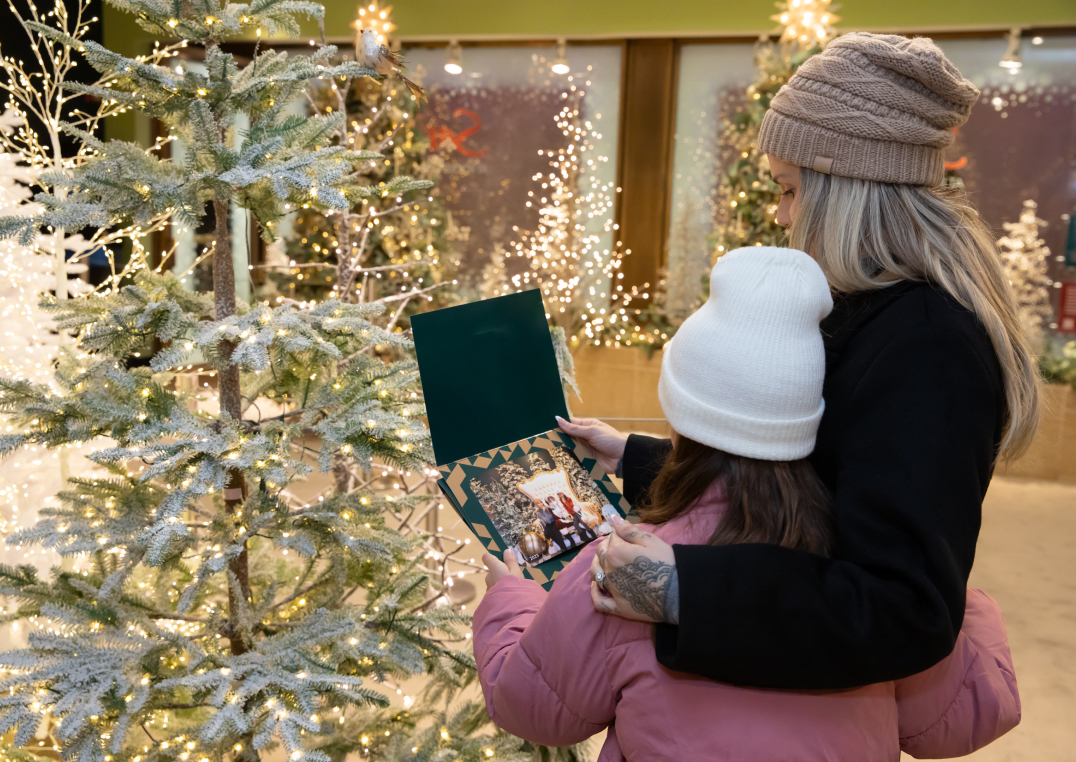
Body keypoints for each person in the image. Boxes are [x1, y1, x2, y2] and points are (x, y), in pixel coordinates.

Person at [558, 31, 1041, 689]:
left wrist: (679, 590)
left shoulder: (931, 351)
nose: (783, 217)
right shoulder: (880, 313)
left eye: (789, 191)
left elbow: (902, 609)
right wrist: (635, 459)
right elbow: (820, 482)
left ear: (846, 189)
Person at [475, 248, 1019, 761]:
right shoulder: (860, 576)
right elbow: (969, 711)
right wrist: (955, 591)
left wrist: (511, 601)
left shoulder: (626, 570)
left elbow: (533, 705)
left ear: (680, 418)